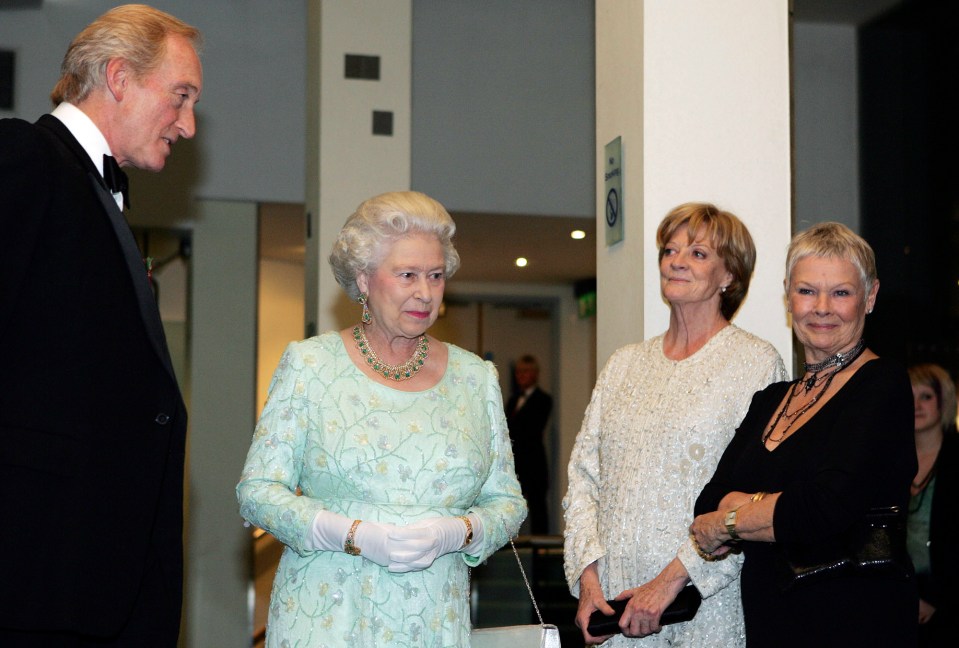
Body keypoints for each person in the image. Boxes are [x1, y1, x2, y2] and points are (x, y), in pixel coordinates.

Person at [236, 191, 527, 647]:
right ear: (364, 279)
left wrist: (458, 531)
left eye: (435, 276)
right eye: (407, 274)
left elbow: (508, 504)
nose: (425, 292)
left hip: (433, 620)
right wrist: (353, 534)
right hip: (326, 615)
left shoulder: (476, 377)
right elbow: (257, 493)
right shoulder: (311, 365)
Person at [0, 5, 201, 646]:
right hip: (33, 578)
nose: (190, 125)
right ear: (118, 77)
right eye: (181, 96)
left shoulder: (96, 193)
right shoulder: (25, 158)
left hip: (92, 585)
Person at [563, 202, 786, 646]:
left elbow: (754, 500)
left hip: (703, 605)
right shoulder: (624, 364)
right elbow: (584, 478)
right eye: (670, 249)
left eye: (698, 253)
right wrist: (588, 583)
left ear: (729, 276)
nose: (677, 260)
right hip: (615, 605)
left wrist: (668, 584)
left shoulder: (757, 364)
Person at [690, 222, 918, 647]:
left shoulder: (881, 384)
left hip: (857, 624)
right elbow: (708, 497)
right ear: (788, 298)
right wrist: (773, 510)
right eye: (807, 291)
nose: (822, 307)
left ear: (869, 298)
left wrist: (729, 520)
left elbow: (822, 507)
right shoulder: (771, 399)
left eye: (842, 293)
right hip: (772, 623)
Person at [907, 362, 959, 646]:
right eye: (909, 396)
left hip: (947, 604)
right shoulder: (891, 461)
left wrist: (936, 599)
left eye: (925, 396)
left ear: (944, 401)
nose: (915, 404)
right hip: (897, 599)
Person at [505, 354, 554, 534]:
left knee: (537, 504)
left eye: (525, 372)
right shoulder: (512, 400)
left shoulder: (543, 399)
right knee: (510, 503)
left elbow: (532, 428)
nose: (521, 376)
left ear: (535, 374)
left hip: (533, 461)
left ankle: (541, 550)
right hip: (515, 461)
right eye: (518, 372)